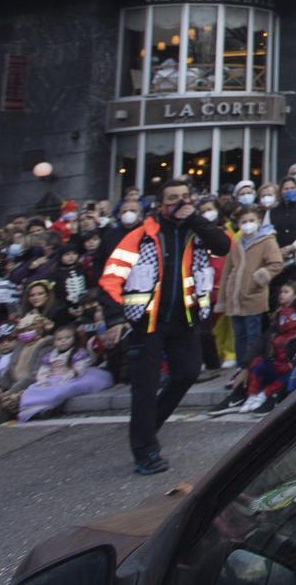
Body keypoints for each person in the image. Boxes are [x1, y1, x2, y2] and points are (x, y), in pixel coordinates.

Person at [99, 177, 231, 476]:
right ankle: (145, 451)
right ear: (160, 205)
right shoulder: (139, 236)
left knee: (187, 373)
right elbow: (111, 278)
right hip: (147, 323)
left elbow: (223, 246)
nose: (181, 202)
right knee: (144, 389)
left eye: (186, 197)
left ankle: (147, 427)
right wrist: (116, 319)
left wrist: (195, 218)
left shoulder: (197, 231)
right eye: (173, 198)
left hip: (185, 320)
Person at [215, 207, 281, 377]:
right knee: (239, 336)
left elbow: (276, 263)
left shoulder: (267, 241)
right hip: (234, 297)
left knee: (253, 335)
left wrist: (259, 278)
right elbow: (227, 272)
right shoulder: (236, 244)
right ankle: (239, 369)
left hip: (253, 296)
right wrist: (223, 297)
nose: (247, 225)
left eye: (251, 221)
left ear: (258, 222)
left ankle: (251, 370)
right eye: (243, 222)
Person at [15, 322, 112, 421]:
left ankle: (47, 408)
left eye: (67, 338)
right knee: (31, 390)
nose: (63, 341)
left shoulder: (78, 353)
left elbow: (80, 367)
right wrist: (43, 380)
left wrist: (70, 373)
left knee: (61, 390)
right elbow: (44, 370)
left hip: (72, 377)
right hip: (52, 378)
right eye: (59, 339)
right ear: (54, 342)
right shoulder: (50, 356)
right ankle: (32, 410)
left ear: (74, 338)